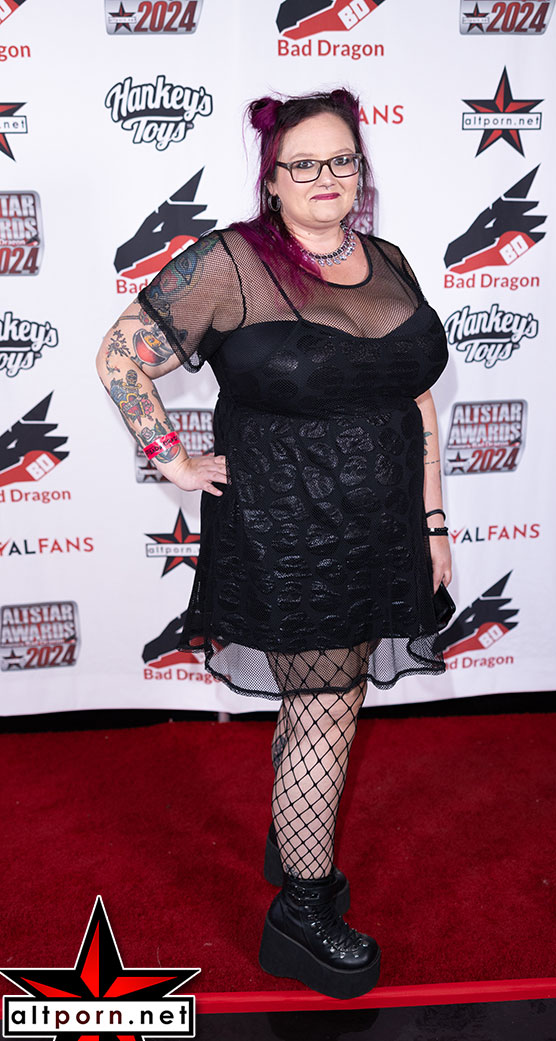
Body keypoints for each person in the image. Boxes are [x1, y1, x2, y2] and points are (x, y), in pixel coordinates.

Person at [96, 87, 452, 1001]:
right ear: (272, 177)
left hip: (382, 524)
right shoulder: (232, 261)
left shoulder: (389, 260)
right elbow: (120, 355)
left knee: (327, 705)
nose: (325, 177)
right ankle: (301, 908)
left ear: (360, 171)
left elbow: (415, 399)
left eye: (341, 160)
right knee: (327, 706)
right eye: (304, 163)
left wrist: (432, 521)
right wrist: (173, 459)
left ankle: (297, 832)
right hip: (286, 527)